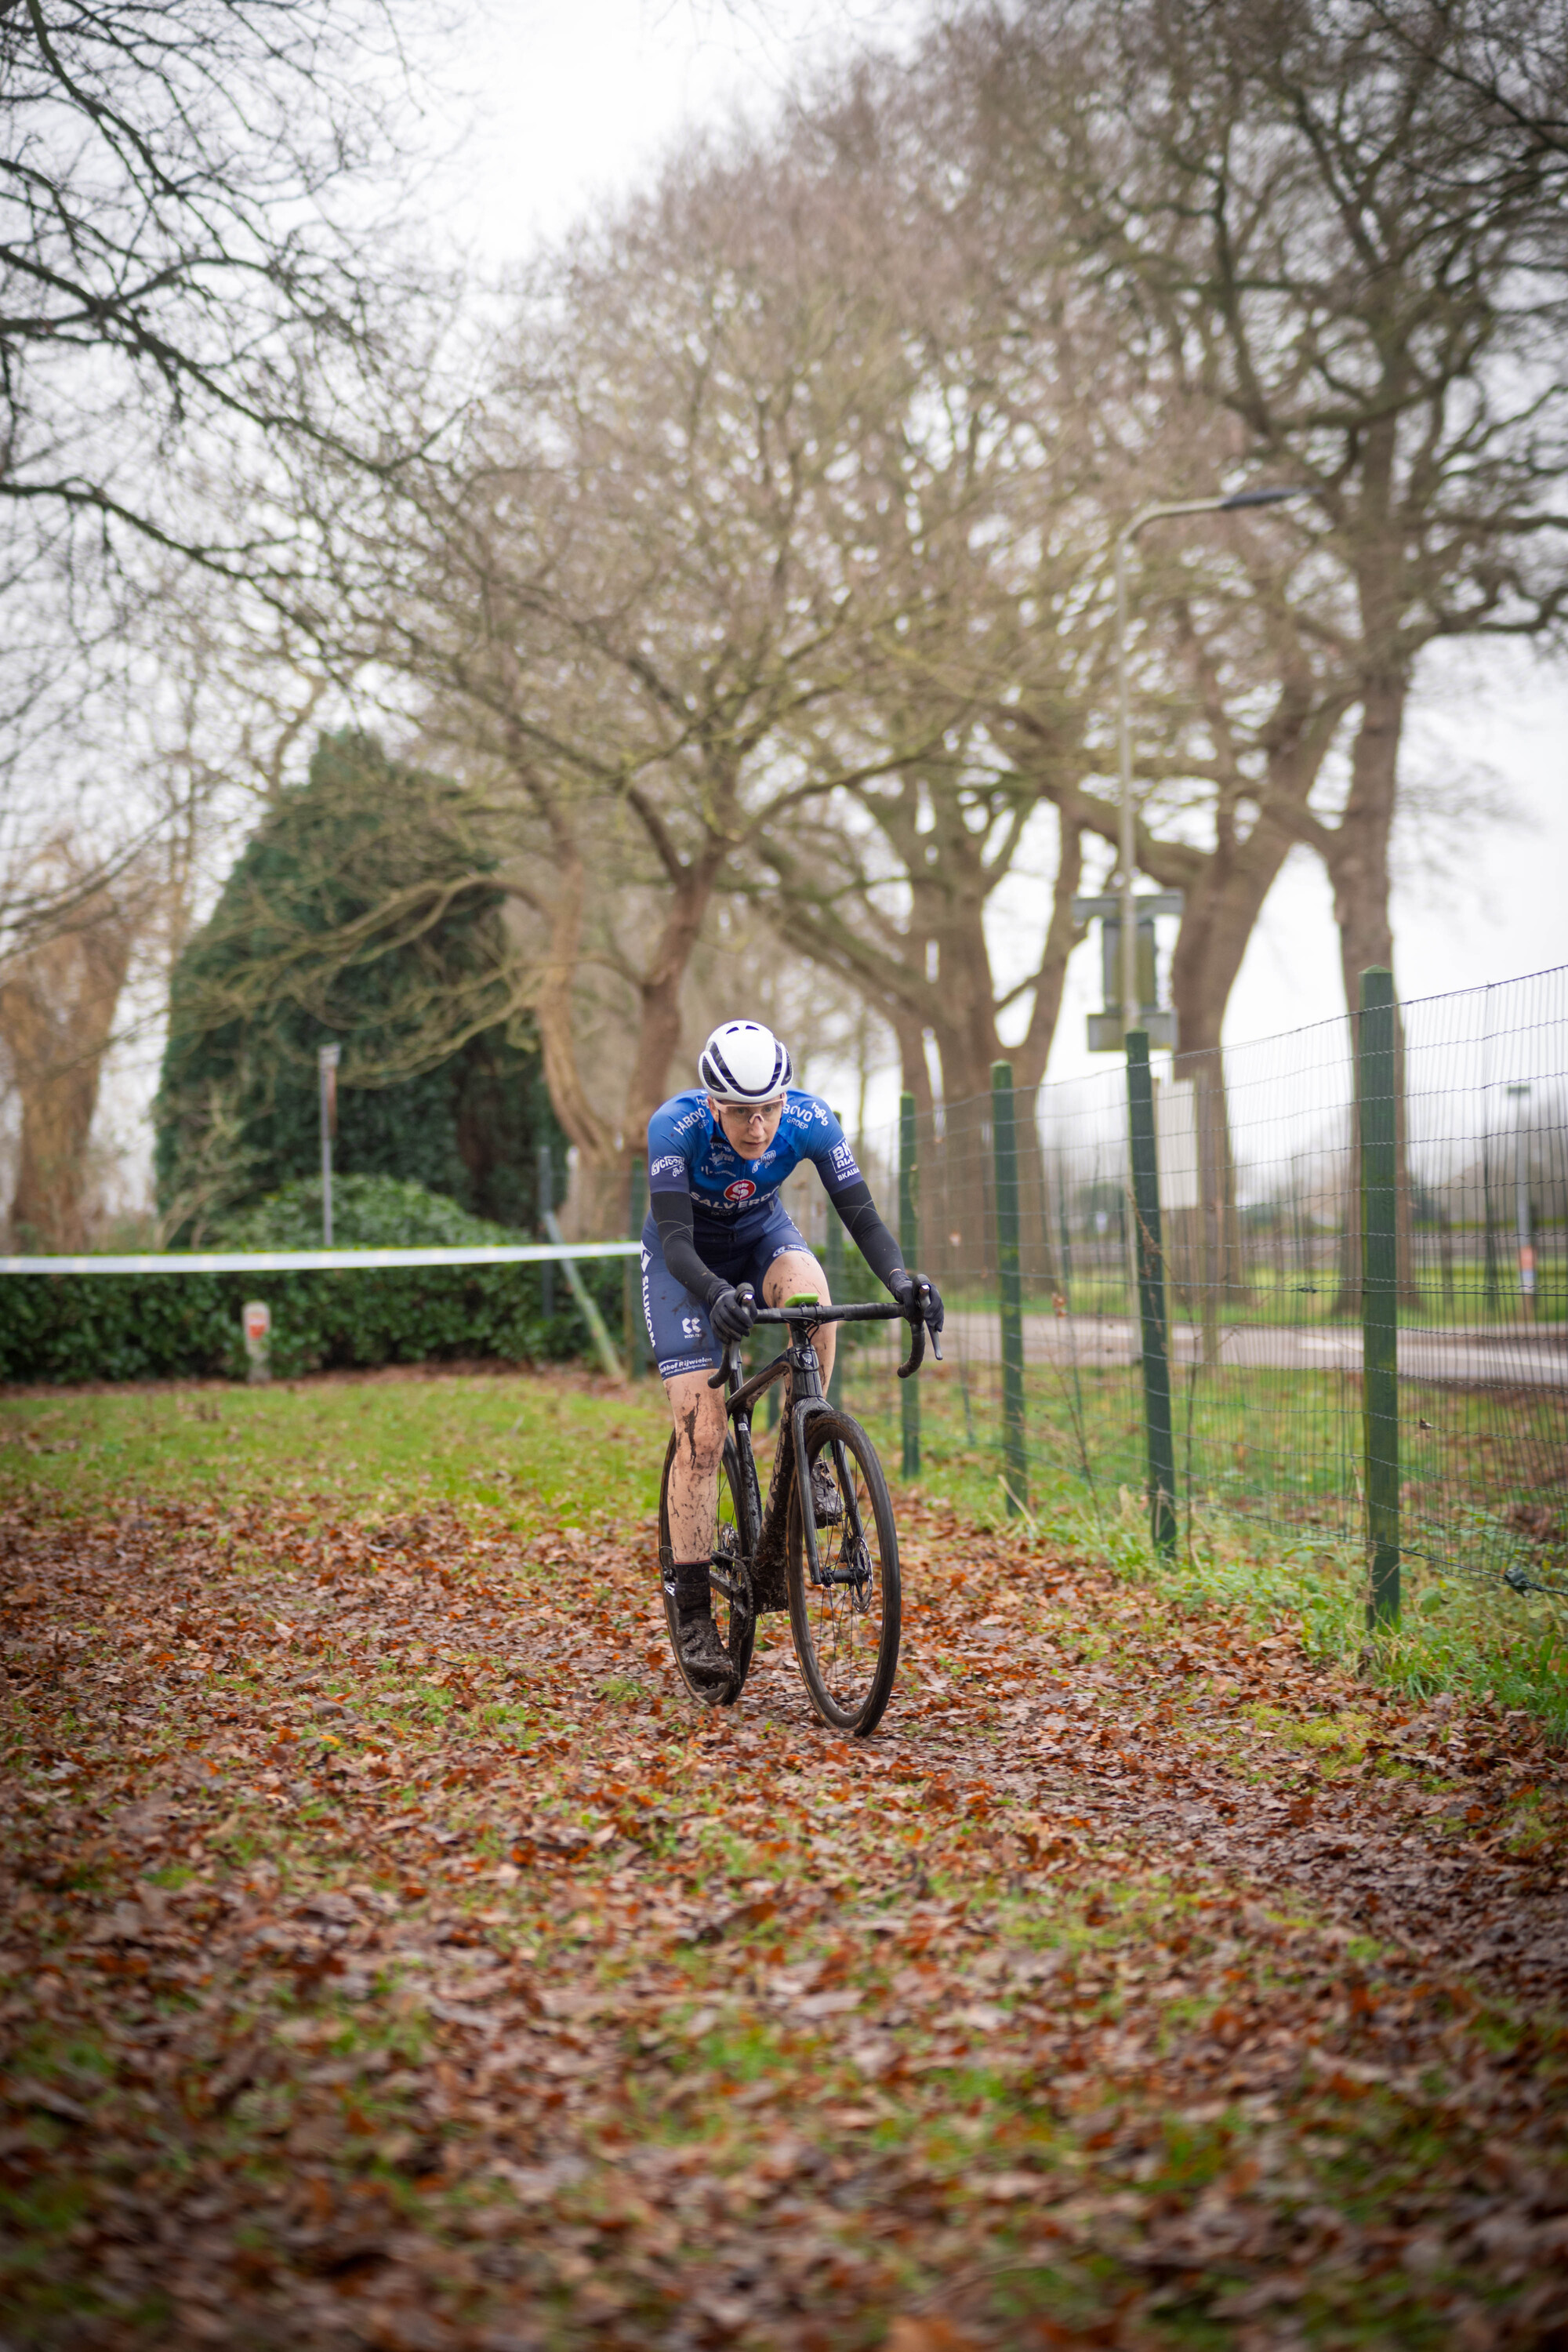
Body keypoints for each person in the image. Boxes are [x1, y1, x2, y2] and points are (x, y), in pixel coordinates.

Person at [643, 1018, 943, 1686]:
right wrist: (718, 1293)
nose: (758, 1128)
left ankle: (806, 1448)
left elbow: (861, 1215)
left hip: (761, 1237)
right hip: (686, 1265)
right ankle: (692, 1613)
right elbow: (672, 1242)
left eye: (770, 1110)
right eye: (743, 1113)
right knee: (702, 1431)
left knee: (813, 1298)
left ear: (787, 1097)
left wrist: (903, 1282)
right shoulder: (675, 1127)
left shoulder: (811, 1118)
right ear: (713, 1105)